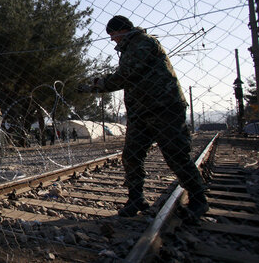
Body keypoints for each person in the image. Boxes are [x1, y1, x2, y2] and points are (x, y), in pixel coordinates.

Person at [77, 15, 208, 221]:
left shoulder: (143, 43)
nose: (112, 40)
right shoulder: (130, 48)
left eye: (112, 35)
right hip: (141, 112)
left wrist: (94, 85)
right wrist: (94, 86)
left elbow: (126, 75)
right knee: (131, 156)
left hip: (164, 108)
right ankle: (136, 198)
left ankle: (198, 198)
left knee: (176, 154)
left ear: (121, 30)